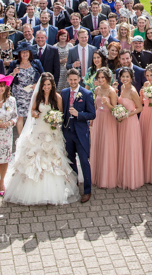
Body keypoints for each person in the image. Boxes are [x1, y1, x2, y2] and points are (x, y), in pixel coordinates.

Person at [3, 73, 79, 205]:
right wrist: (35, 113)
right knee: (35, 158)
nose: (46, 87)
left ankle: (54, 192)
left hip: (52, 131)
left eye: (49, 85)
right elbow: (32, 111)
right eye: (44, 85)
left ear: (52, 85)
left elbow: (61, 113)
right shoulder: (37, 97)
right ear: (41, 86)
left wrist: (56, 121)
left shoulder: (57, 97)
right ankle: (32, 192)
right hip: (39, 130)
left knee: (53, 160)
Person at [61, 69, 96, 203]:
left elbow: (92, 115)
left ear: (79, 79)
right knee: (70, 161)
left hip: (81, 133)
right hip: (67, 132)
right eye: (71, 79)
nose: (73, 82)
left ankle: (87, 191)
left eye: (75, 79)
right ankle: (73, 185)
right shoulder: (64, 93)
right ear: (67, 80)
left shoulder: (86, 94)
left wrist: (78, 114)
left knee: (83, 161)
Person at [115, 67, 144, 190]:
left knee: (130, 148)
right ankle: (122, 176)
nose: (125, 79)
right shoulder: (121, 88)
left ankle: (131, 178)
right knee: (123, 147)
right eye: (123, 77)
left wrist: (126, 115)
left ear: (131, 78)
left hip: (131, 121)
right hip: (122, 122)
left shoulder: (133, 91)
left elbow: (139, 108)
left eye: (127, 77)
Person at [91, 68, 119, 189]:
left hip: (108, 119)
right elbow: (95, 105)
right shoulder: (97, 89)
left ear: (107, 78)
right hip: (98, 118)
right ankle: (96, 174)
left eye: (103, 77)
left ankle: (106, 177)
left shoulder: (111, 91)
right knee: (98, 144)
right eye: (99, 78)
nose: (101, 80)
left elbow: (115, 109)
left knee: (107, 145)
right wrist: (92, 119)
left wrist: (107, 104)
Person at [9, 44, 42, 135]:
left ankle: (31, 136)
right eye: (22, 52)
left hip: (32, 93)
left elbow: (43, 76)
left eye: (26, 52)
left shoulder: (36, 63)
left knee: (32, 115)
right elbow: (7, 80)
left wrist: (37, 84)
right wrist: (13, 73)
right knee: (20, 116)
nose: (25, 54)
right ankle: (21, 138)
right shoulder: (14, 64)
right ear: (19, 54)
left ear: (30, 53)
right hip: (19, 94)